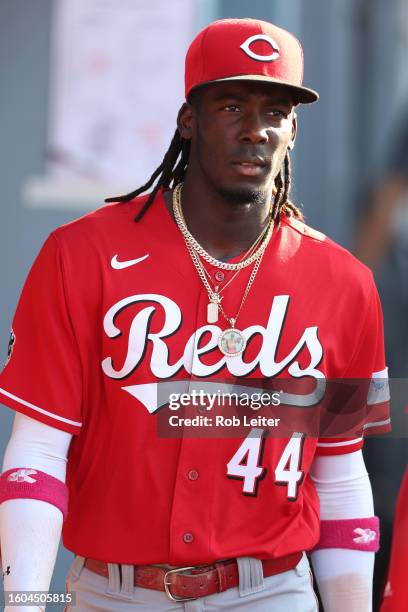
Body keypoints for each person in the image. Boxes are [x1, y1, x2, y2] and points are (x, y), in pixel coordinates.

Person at [0, 17, 390, 612]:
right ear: (189, 120)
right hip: (114, 593)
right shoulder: (81, 255)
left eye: (276, 111)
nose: (256, 130)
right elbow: (38, 452)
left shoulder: (347, 284)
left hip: (272, 592)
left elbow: (339, 477)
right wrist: (24, 603)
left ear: (293, 130)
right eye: (232, 106)